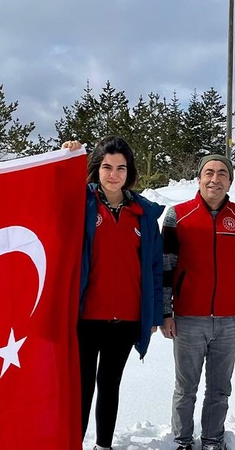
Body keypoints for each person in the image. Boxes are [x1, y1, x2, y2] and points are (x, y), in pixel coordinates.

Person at [62, 137, 164, 450]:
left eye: (120, 167)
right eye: (107, 167)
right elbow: (55, 197)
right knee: (80, 389)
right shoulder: (81, 203)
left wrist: (154, 314)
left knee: (109, 385)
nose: (113, 174)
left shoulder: (143, 214)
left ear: (129, 171)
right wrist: (67, 161)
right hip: (86, 317)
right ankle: (72, 444)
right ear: (97, 168)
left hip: (127, 317)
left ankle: (103, 445)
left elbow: (155, 268)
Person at [160, 154, 235, 450]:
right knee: (186, 389)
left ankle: (212, 440)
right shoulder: (177, 215)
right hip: (188, 319)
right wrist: (165, 312)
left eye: (221, 174)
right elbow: (166, 267)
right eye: (209, 172)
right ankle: (182, 441)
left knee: (220, 389)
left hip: (229, 321)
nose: (214, 179)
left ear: (230, 180)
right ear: (199, 179)